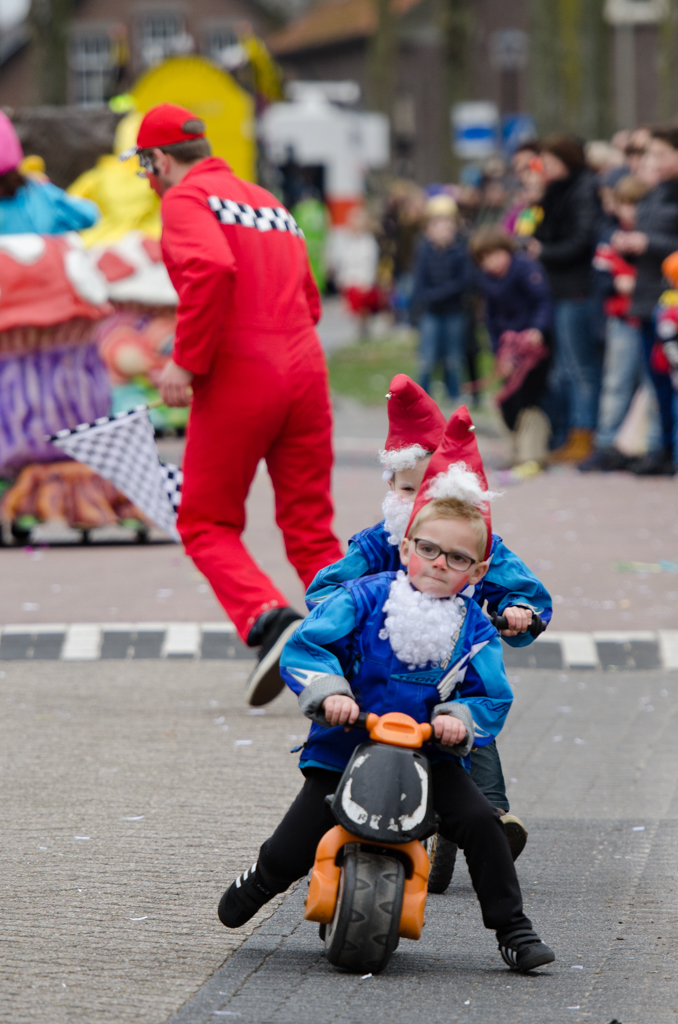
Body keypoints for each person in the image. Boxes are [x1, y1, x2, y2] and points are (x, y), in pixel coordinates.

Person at [218, 455, 556, 974]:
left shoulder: (475, 629)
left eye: (458, 558)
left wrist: (459, 720)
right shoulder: (363, 597)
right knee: (297, 838)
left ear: (479, 571)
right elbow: (308, 646)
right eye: (428, 550)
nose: (440, 563)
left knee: (481, 825)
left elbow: (492, 694)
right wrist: (331, 693)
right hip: (346, 743)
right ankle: (262, 880)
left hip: (429, 753)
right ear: (406, 548)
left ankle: (512, 928)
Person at [128, 103, 343, 703]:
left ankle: (269, 620)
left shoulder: (186, 200)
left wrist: (186, 360)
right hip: (304, 368)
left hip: (239, 375)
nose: (148, 180)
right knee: (308, 526)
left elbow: (212, 269)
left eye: (146, 168)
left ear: (160, 160)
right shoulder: (269, 202)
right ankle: (360, 642)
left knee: (205, 520)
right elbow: (309, 296)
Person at [306, 377, 553, 865]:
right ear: (391, 488)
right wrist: (350, 608)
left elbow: (520, 589)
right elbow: (325, 589)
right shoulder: (378, 544)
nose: (417, 502)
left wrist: (518, 613)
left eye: (430, 492)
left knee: (467, 724)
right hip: (378, 669)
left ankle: (491, 818)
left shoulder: (478, 544)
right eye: (406, 489)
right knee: (361, 737)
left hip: (453, 664)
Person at [529, 134, 601, 461]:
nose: (548, 168)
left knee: (579, 366)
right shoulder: (555, 191)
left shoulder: (584, 189)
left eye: (553, 162)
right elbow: (538, 229)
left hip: (576, 287)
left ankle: (584, 434)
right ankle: (571, 433)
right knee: (565, 368)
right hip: (558, 286)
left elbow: (581, 240)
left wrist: (544, 251)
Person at [581, 175, 659, 472]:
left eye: (635, 205)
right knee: (616, 382)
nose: (630, 212)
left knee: (651, 386)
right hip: (621, 318)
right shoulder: (612, 237)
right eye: (625, 205)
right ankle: (608, 442)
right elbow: (600, 276)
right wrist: (617, 283)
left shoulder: (655, 236)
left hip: (650, 316)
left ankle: (647, 445)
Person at [612, 125, 678, 476]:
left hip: (671, 301)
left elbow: (665, 242)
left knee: (671, 381)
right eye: (650, 154)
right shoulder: (653, 193)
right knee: (657, 383)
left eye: (660, 154)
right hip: (647, 298)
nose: (652, 162)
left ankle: (669, 449)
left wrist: (646, 243)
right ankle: (662, 448)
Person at [470, 227, 552, 472]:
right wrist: (498, 352)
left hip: (534, 344)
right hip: (509, 348)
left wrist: (537, 329)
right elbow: (491, 319)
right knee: (507, 400)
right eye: (484, 259)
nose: (491, 263)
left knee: (530, 397)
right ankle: (516, 450)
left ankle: (533, 453)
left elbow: (543, 301)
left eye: (494, 255)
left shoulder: (526, 269)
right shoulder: (487, 281)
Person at [412, 194, 471, 400]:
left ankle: (454, 393)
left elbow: (463, 282)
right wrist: (430, 297)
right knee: (427, 357)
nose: (444, 231)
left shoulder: (460, 251)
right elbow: (419, 282)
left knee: (453, 357)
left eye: (448, 226)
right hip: (431, 311)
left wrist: (437, 294)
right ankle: (422, 395)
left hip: (454, 310)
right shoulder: (424, 252)